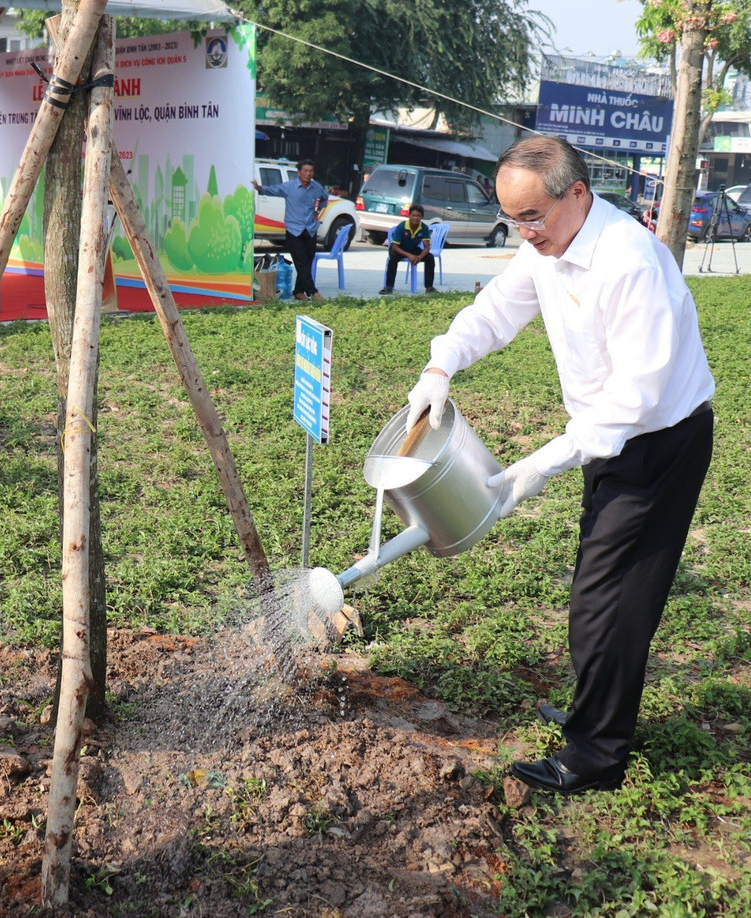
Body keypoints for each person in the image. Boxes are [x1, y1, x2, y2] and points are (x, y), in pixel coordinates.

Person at [403, 134, 714, 796]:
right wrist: (441, 363)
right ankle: (594, 712)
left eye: (531, 217)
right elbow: (495, 312)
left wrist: (540, 463)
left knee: (610, 602)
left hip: (659, 442)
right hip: (607, 439)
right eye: (513, 218)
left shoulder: (627, 261)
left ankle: (596, 756)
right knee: (597, 591)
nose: (521, 232)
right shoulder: (546, 245)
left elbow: (636, 396)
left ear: (577, 194)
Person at [252, 158, 329, 301]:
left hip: (310, 229)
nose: (308, 173)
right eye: (305, 171)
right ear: (299, 173)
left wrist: (318, 211)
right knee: (300, 262)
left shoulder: (316, 187)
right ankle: (313, 292)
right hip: (294, 230)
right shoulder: (290, 187)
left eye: (310, 171)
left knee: (307, 262)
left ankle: (299, 291)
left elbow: (325, 197)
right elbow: (273, 190)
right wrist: (259, 188)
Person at [380, 205, 436, 295]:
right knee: (393, 258)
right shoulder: (402, 226)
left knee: (430, 257)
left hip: (412, 249)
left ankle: (429, 287)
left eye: (418, 216)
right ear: (409, 216)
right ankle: (389, 287)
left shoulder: (424, 228)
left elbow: (427, 247)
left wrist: (419, 257)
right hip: (399, 249)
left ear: (422, 217)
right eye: (413, 215)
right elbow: (394, 246)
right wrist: (408, 255)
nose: (415, 218)